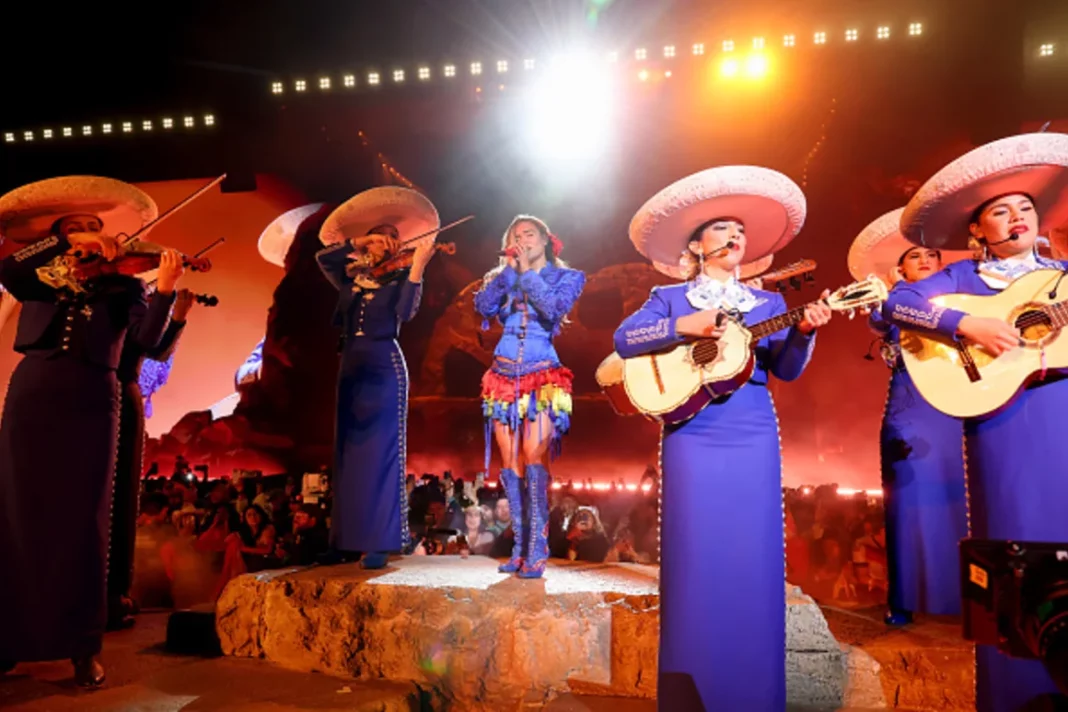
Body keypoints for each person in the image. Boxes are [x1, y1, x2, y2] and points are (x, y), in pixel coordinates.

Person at [613, 166, 832, 710]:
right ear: (696, 245)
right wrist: (684, 326)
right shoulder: (669, 296)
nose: (735, 235)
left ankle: (752, 693)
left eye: (740, 230)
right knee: (694, 554)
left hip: (752, 430)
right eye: (722, 228)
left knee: (753, 556)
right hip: (692, 433)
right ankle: (691, 690)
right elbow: (625, 338)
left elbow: (787, 369)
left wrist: (804, 333)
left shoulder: (768, 304)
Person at [880, 132, 1068, 712]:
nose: (1017, 217)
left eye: (1025, 208)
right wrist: (968, 325)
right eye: (1001, 212)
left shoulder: (1063, 276)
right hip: (1003, 421)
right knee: (1015, 551)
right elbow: (897, 304)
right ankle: (1015, 691)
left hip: (1062, 412)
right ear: (977, 231)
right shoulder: (963, 279)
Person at [0, 175, 184, 687]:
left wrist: (165, 290)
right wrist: (68, 243)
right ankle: (9, 640)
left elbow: (147, 342)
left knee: (85, 521)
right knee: (17, 514)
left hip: (92, 398)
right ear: (59, 236)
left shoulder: (124, 285)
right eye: (74, 226)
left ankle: (82, 647)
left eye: (93, 226)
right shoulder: (37, 274)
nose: (87, 233)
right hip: (34, 392)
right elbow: (8, 268)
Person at [846, 208, 970, 626]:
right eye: (916, 257)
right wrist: (893, 290)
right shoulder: (891, 302)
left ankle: (966, 600)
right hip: (912, 404)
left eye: (932, 255)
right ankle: (905, 599)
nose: (927, 261)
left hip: (961, 399)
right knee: (910, 498)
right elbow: (880, 320)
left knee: (963, 498)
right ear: (900, 268)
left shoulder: (962, 298)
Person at [315, 187, 438, 570]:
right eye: (379, 235)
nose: (386, 241)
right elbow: (324, 258)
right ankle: (344, 541)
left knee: (382, 453)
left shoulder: (399, 280)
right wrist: (359, 242)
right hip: (351, 364)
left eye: (392, 236)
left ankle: (381, 542)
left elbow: (407, 311)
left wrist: (417, 268)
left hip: (385, 365)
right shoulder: (351, 278)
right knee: (347, 453)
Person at [474, 215, 585, 579]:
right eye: (516, 235)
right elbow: (484, 307)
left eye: (530, 234)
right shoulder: (501, 277)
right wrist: (509, 273)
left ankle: (538, 548)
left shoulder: (568, 277)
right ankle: (519, 548)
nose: (523, 239)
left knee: (533, 458)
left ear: (546, 240)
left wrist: (526, 274)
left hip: (543, 377)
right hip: (502, 378)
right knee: (510, 464)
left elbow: (553, 309)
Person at [107, 287, 196, 630]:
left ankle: (112, 593)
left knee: (119, 500)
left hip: (120, 397)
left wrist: (176, 315)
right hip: (98, 397)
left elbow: (154, 349)